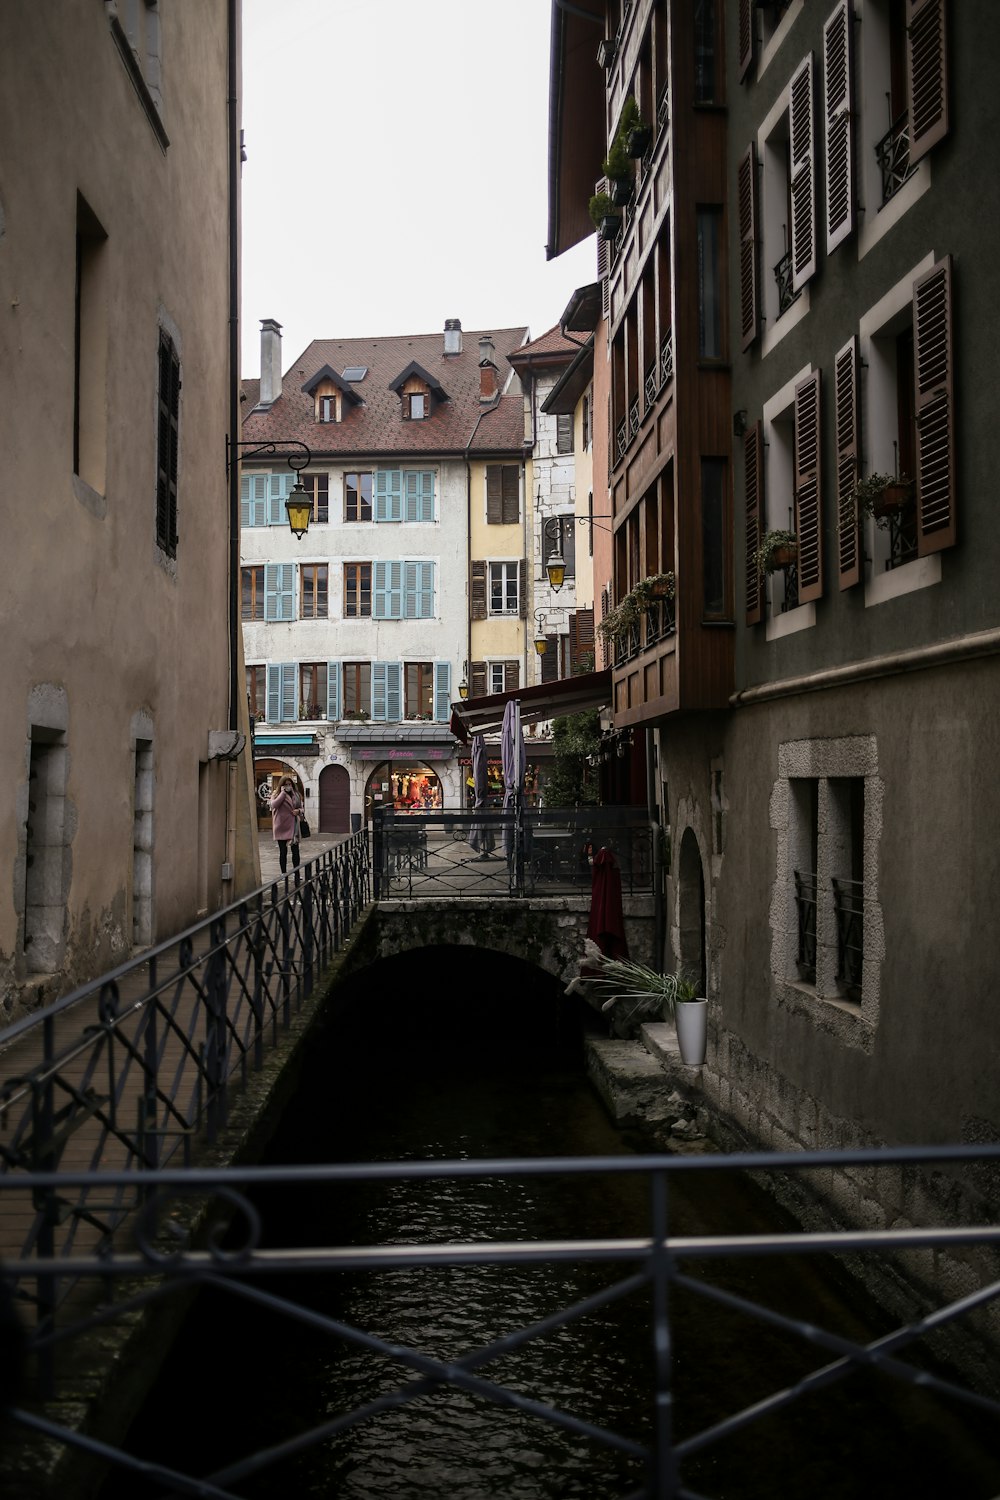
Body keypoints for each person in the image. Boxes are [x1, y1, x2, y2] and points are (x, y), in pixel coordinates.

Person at [269, 776, 302, 874]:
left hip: (293, 825)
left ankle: (296, 873)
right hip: (281, 826)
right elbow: (274, 805)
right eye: (286, 784)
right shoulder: (276, 794)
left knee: (295, 851)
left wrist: (298, 811)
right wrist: (283, 793)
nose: (288, 786)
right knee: (283, 851)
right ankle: (283, 873)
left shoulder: (296, 795)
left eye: (289, 784)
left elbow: (301, 807)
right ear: (282, 786)